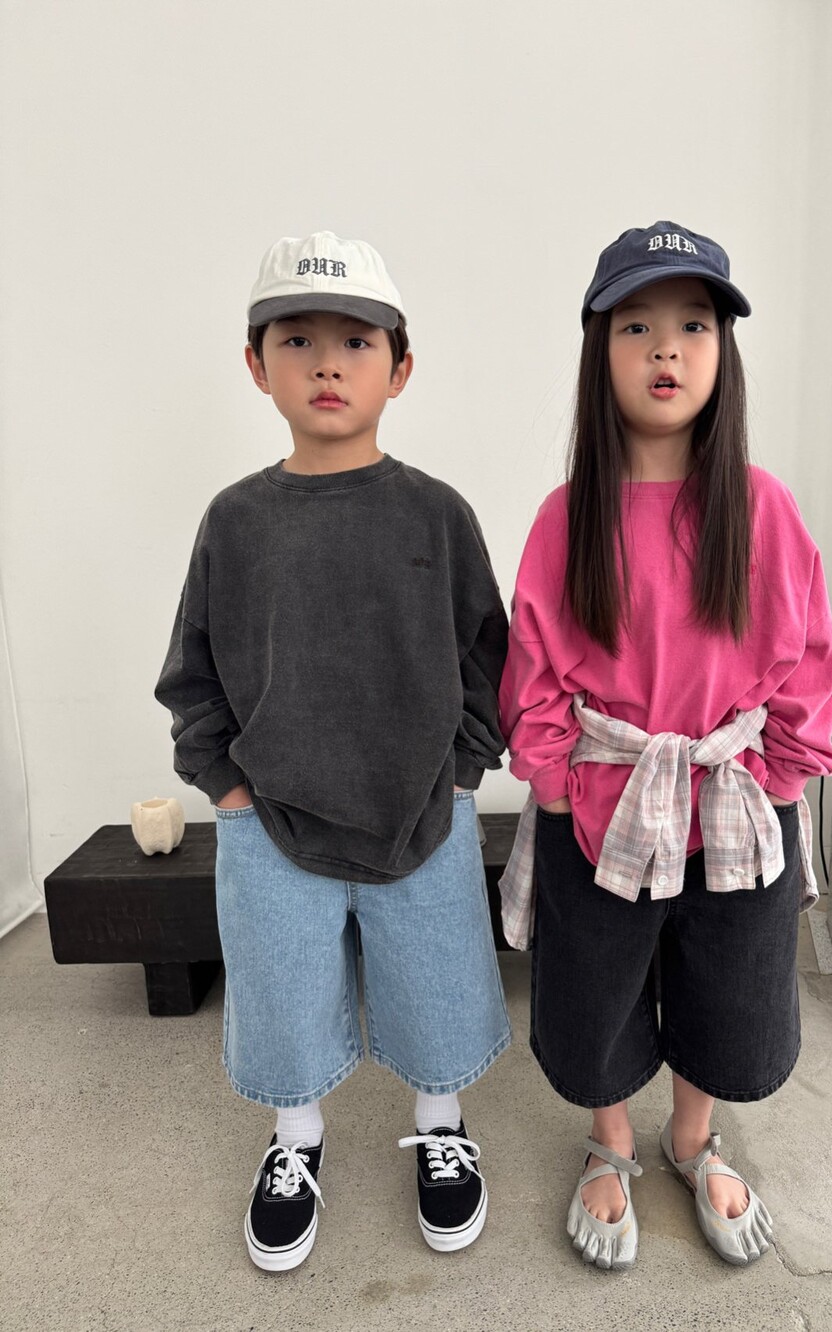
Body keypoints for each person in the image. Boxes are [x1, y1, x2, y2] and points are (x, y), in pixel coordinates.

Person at [156, 231, 511, 1271]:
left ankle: (440, 1124)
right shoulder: (236, 520)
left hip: (421, 806)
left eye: (356, 342)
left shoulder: (436, 513)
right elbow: (194, 668)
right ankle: (295, 1138)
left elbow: (487, 657)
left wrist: (461, 771)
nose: (326, 363)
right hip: (268, 814)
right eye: (297, 339)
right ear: (255, 364)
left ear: (399, 369)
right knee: (282, 994)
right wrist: (224, 786)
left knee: (435, 984)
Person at [498, 220, 832, 1272]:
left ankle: (692, 1137)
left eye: (694, 325)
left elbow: (811, 653)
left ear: (722, 350)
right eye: (636, 325)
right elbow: (533, 658)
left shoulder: (762, 506)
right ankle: (610, 1141)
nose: (666, 348)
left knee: (729, 987)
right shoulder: (569, 515)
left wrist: (782, 773)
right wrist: (551, 784)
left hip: (734, 800)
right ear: (598, 350)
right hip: (600, 810)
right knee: (594, 987)